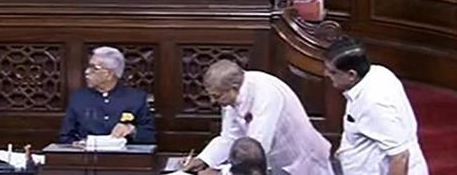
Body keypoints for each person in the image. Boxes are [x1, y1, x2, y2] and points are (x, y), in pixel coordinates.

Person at [182, 60, 334, 175]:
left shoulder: (266, 95)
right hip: (274, 164)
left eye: (216, 96)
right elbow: (229, 137)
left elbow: (257, 150)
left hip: (301, 162)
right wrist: (203, 160)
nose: (213, 101)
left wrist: (220, 172)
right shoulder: (233, 95)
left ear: (233, 88)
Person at [324, 36, 428, 175]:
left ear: (351, 75)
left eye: (332, 72)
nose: (325, 74)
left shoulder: (375, 103)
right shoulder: (377, 72)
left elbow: (400, 156)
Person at [58, 46, 156, 144]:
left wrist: (131, 130)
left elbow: (150, 137)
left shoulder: (136, 98)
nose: (87, 72)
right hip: (87, 155)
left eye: (94, 68)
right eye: (88, 67)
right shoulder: (79, 98)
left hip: (123, 157)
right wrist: (76, 144)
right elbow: (65, 136)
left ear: (109, 74)